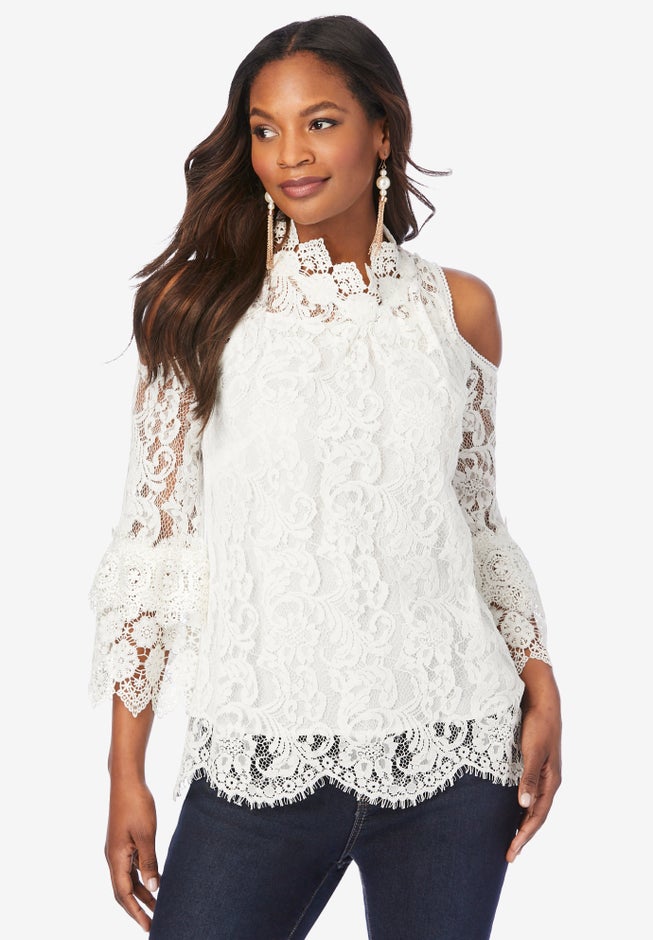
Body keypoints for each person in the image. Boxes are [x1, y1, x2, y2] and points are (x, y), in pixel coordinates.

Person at [89, 14, 562, 940]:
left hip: (456, 752)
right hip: (259, 762)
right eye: (264, 129)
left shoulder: (458, 310)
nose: (289, 155)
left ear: (382, 131)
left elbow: (472, 523)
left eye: (320, 122)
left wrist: (539, 679)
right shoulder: (197, 309)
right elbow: (153, 553)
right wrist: (124, 773)